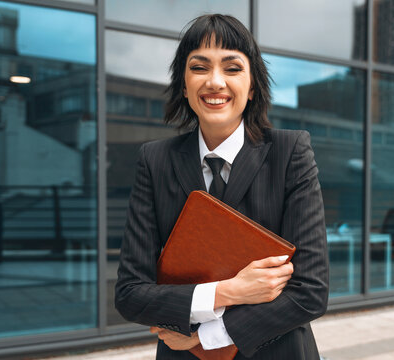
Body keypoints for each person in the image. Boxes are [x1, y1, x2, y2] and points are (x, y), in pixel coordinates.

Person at [115, 14, 329, 359]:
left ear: (253, 85)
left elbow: (310, 292)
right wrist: (227, 291)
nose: (215, 82)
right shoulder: (154, 161)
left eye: (232, 68)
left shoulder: (290, 152)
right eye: (200, 67)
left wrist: (207, 337)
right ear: (183, 85)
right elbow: (130, 294)